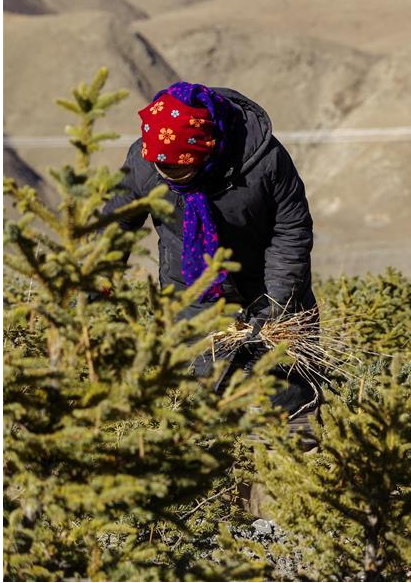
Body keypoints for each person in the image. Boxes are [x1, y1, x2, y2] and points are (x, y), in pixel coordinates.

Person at [104, 82, 318, 433]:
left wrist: (276, 308)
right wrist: (96, 285)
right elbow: (116, 224)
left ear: (205, 150)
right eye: (161, 168)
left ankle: (295, 458)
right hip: (191, 293)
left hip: (271, 288)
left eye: (179, 169)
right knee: (201, 410)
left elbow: (291, 232)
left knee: (287, 408)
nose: (167, 175)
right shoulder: (146, 160)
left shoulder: (265, 162)